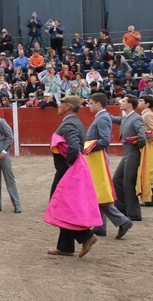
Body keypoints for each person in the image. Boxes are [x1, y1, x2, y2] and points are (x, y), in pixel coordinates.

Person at [47, 95, 98, 257]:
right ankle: (65, 246)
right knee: (65, 204)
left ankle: (86, 236)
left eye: (61, 103)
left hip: (66, 170)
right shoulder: (75, 122)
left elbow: (74, 147)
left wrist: (69, 164)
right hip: (68, 168)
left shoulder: (69, 123)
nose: (58, 106)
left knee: (60, 204)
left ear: (68, 106)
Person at [85, 93, 134, 238]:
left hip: (97, 159)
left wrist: (88, 148)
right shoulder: (102, 117)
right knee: (98, 192)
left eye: (91, 103)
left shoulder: (102, 118)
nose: (89, 106)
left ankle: (123, 221)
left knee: (98, 191)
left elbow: (105, 140)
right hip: (97, 158)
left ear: (98, 104)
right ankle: (100, 226)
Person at [109, 95, 147, 221]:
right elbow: (114, 119)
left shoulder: (136, 118)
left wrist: (136, 147)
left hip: (132, 152)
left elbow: (142, 138)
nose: (121, 103)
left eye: (123, 101)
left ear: (130, 104)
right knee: (117, 180)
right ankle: (122, 209)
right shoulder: (126, 118)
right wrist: (102, 112)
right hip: (127, 153)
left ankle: (134, 214)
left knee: (128, 183)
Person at [0, 109, 20, 213]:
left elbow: (10, 136)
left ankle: (17, 204)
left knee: (9, 179)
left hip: (2, 153)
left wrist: (5, 150)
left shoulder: (1, 122)